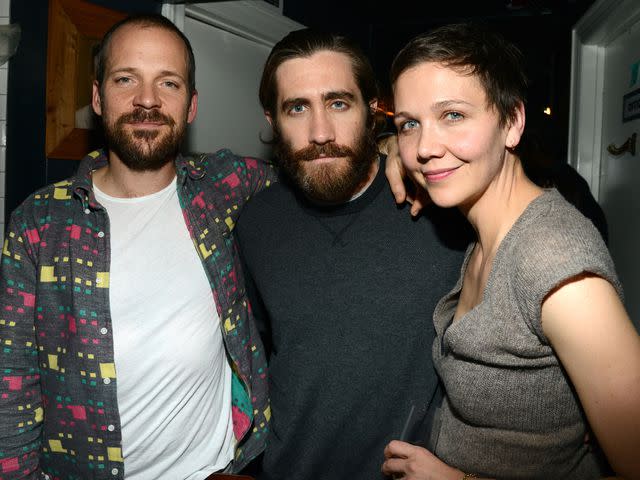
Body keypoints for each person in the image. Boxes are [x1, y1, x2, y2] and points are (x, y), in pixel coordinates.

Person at [0, 14, 273, 479]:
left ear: (191, 106)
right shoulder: (39, 223)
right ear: (97, 98)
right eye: (126, 79)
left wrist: (389, 153)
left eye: (168, 83)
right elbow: (13, 385)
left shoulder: (224, 187)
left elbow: (317, 170)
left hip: (215, 469)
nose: (147, 100)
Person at [382, 22, 640, 480]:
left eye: (454, 115)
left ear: (512, 122)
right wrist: (387, 149)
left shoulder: (555, 261)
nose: (424, 148)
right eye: (409, 125)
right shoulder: (483, 223)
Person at [235, 29, 468, 480]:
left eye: (339, 103)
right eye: (297, 108)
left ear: (372, 110)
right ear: (272, 119)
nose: (320, 133)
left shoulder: (441, 206)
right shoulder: (255, 223)